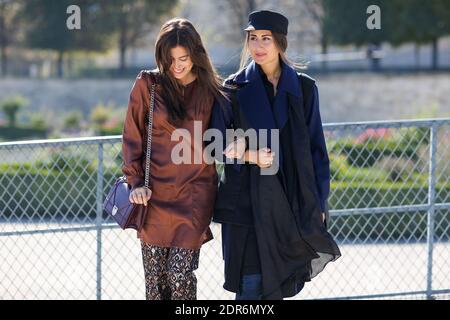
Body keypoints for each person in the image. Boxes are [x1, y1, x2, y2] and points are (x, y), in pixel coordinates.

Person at [210, 10, 341, 300]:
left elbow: (317, 151)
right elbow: (213, 143)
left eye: (265, 39)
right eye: (252, 38)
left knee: (278, 288)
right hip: (246, 205)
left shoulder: (305, 88)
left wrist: (318, 202)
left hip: (292, 203)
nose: (258, 45)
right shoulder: (232, 87)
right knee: (251, 287)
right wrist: (250, 155)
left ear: (280, 43)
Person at [121, 18, 224, 300]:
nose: (177, 65)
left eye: (184, 58)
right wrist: (135, 182)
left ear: (196, 55)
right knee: (156, 287)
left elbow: (225, 136)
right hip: (153, 195)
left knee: (180, 277)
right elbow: (132, 136)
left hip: (196, 194)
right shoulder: (148, 85)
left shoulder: (212, 90)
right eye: (170, 59)